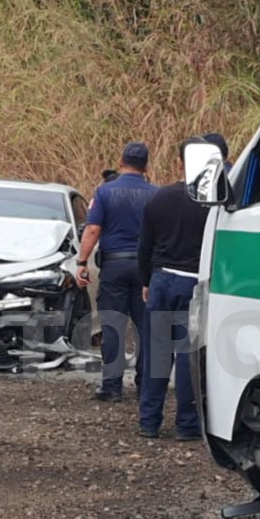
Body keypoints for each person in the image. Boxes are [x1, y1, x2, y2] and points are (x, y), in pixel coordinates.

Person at [135, 133, 227, 439]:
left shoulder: (160, 197)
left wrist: (146, 281)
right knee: (188, 355)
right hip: (195, 283)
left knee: (157, 354)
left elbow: (144, 246)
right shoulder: (216, 204)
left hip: (161, 280)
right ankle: (186, 425)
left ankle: (149, 422)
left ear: (180, 163)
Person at [75, 141, 159, 401]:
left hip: (114, 265)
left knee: (113, 324)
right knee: (146, 328)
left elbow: (92, 229)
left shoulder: (105, 192)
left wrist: (82, 262)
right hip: (146, 268)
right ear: (146, 166)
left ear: (121, 162)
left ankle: (112, 386)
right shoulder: (156, 194)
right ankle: (145, 384)